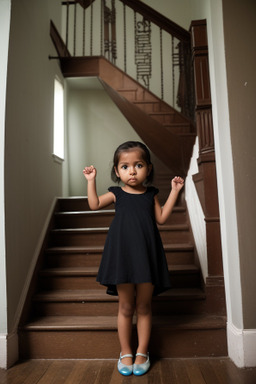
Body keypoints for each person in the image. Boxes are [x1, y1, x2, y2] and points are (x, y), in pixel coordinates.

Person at [83, 141, 184, 376]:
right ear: (117, 172)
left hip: (146, 256)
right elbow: (94, 204)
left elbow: (161, 218)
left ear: (148, 168)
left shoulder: (151, 194)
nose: (132, 171)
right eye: (125, 166)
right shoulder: (116, 194)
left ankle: (142, 351)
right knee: (126, 306)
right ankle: (126, 351)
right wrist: (91, 182)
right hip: (122, 255)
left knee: (144, 306)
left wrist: (175, 192)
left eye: (138, 165)